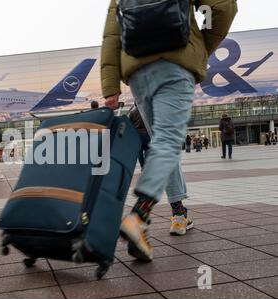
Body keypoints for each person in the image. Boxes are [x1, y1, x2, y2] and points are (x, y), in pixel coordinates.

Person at [101, 0, 237, 260]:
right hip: (175, 64)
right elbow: (223, 7)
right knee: (167, 143)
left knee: (163, 143)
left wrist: (110, 86)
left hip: (138, 70)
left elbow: (112, 34)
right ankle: (138, 218)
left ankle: (179, 213)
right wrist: (200, 47)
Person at [129, 104, 150, 169]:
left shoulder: (132, 113)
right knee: (147, 150)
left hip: (137, 135)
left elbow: (130, 124)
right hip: (146, 133)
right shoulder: (146, 111)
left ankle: (143, 167)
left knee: (139, 152)